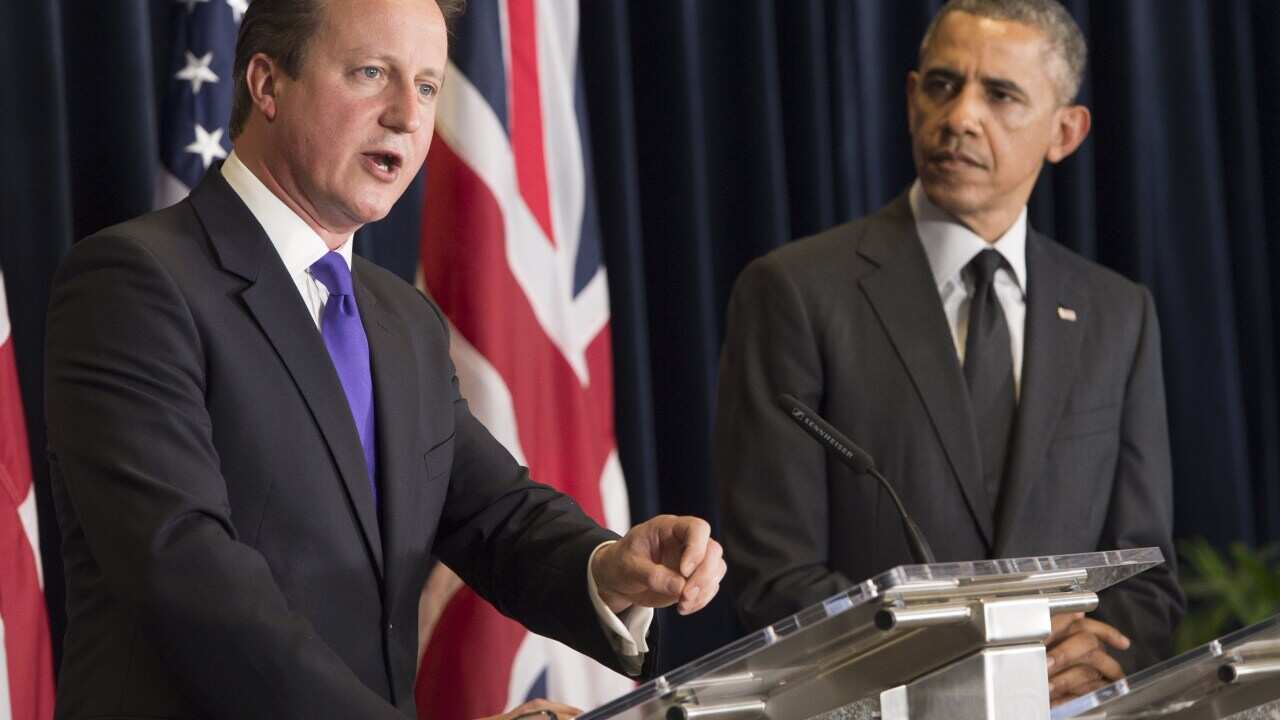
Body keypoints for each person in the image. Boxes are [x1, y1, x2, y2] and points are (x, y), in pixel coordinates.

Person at [44, 0, 726, 718]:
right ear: (267, 86)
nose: (407, 114)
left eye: (427, 86)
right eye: (372, 73)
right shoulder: (136, 283)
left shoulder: (401, 319)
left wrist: (609, 570)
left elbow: (493, 513)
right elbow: (185, 574)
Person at [714, 0, 1182, 704]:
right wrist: (965, 669)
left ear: (1065, 131)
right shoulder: (796, 292)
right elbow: (774, 577)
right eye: (941, 85)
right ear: (910, 99)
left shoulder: (1118, 314)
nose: (961, 116)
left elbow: (1147, 579)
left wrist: (1103, 642)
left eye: (1000, 95)